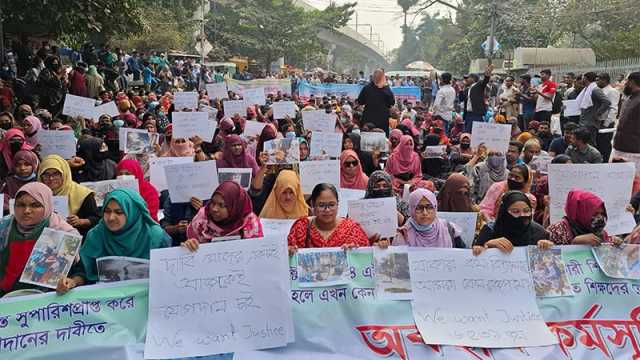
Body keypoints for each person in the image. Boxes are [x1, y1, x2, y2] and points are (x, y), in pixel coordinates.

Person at [0, 183, 80, 296]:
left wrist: (69, 282)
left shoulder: (63, 232)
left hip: (43, 300)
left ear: (47, 205)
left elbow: (78, 272)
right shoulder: (4, 226)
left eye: (35, 205)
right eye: (21, 205)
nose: (27, 210)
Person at [78, 189, 170, 283]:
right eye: (107, 211)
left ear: (133, 212)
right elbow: (83, 271)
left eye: (119, 212)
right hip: (109, 295)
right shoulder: (96, 235)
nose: (111, 218)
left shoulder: (156, 236)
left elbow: (170, 269)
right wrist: (73, 281)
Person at [287, 183, 369, 254]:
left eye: (332, 205)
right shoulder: (301, 227)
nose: (327, 210)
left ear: (338, 204)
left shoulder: (351, 230)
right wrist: (289, 252)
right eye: (321, 205)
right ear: (312, 204)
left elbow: (366, 257)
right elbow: (288, 256)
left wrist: (355, 252)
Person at [184, 181, 263, 249]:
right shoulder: (202, 219)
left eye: (221, 205)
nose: (214, 209)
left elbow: (256, 252)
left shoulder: (250, 223)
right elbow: (191, 250)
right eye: (213, 203)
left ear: (235, 207)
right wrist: (190, 245)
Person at [473, 191, 552, 255]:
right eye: (515, 211)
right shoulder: (489, 230)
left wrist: (547, 247)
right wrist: (487, 245)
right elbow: (475, 256)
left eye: (526, 211)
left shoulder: (540, 233)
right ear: (504, 212)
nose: (522, 215)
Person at [38, 155, 99, 234]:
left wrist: (81, 221)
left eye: (56, 174)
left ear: (64, 173)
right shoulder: (37, 194)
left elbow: (97, 218)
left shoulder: (82, 193)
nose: (51, 178)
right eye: (46, 174)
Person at [547, 189, 622, 246]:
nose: (600, 217)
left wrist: (613, 244)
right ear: (580, 212)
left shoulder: (600, 232)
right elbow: (550, 259)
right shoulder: (557, 231)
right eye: (595, 213)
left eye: (602, 213)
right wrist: (574, 243)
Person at [356, 69, 395, 135]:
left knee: (367, 139)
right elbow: (392, 102)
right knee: (382, 141)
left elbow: (360, 101)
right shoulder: (386, 89)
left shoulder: (367, 88)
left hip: (368, 120)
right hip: (382, 121)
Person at [577, 72, 611, 146]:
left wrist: (598, 113)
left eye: (583, 78)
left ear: (585, 79)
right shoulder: (586, 89)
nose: (581, 80)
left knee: (590, 144)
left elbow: (607, 102)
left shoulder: (595, 90)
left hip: (591, 123)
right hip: (584, 121)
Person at [612, 72, 640, 159]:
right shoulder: (629, 98)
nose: (625, 83)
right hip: (620, 146)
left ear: (632, 82)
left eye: (626, 80)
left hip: (634, 150)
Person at [463, 65, 493, 132]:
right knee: (467, 133)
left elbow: (484, 82)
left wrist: (487, 75)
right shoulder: (468, 89)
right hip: (468, 114)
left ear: (473, 79)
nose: (466, 80)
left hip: (476, 114)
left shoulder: (478, 85)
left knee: (474, 133)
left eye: (468, 78)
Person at [596, 72, 619, 161]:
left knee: (604, 145)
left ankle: (605, 162)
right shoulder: (598, 90)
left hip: (606, 122)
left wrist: (606, 124)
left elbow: (613, 109)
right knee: (598, 144)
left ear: (604, 80)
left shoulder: (612, 91)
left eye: (598, 80)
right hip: (598, 121)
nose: (596, 82)